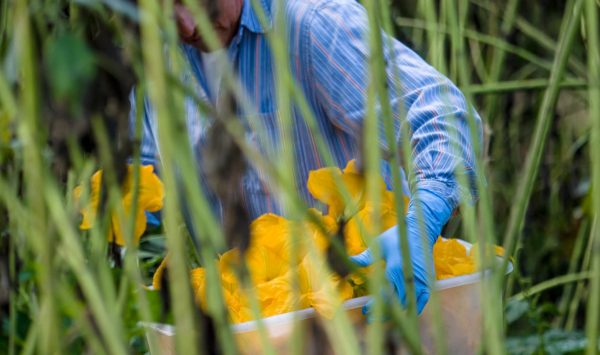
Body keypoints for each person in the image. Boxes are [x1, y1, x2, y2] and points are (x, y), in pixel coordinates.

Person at [131, 0, 482, 315]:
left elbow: (442, 114)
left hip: (367, 312)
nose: (186, 27)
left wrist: (419, 224)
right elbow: (147, 181)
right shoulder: (155, 65)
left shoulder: (313, 24)